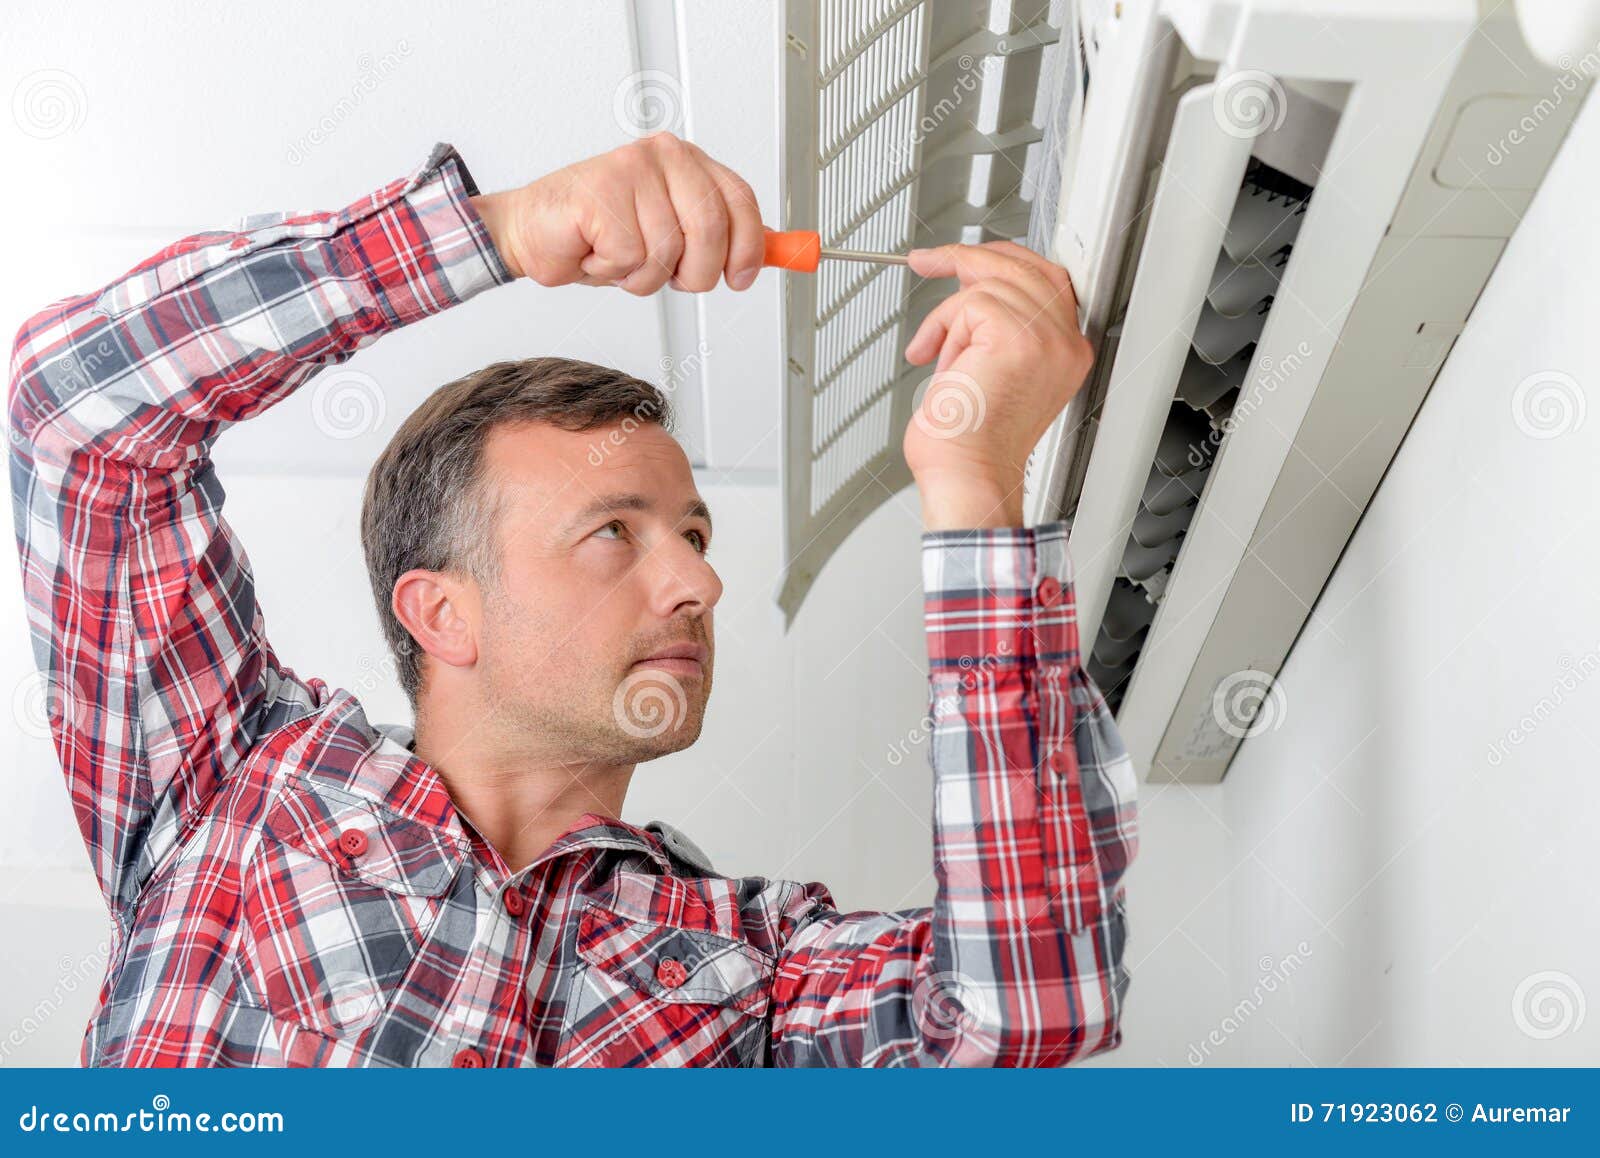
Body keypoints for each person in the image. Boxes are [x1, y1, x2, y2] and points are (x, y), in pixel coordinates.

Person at [7, 132, 1137, 1067]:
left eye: (693, 535)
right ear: (442, 613)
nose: (699, 580)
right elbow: (74, 418)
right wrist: (495, 231)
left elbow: (1026, 1004)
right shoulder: (228, 780)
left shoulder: (750, 967)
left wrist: (972, 482)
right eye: (614, 533)